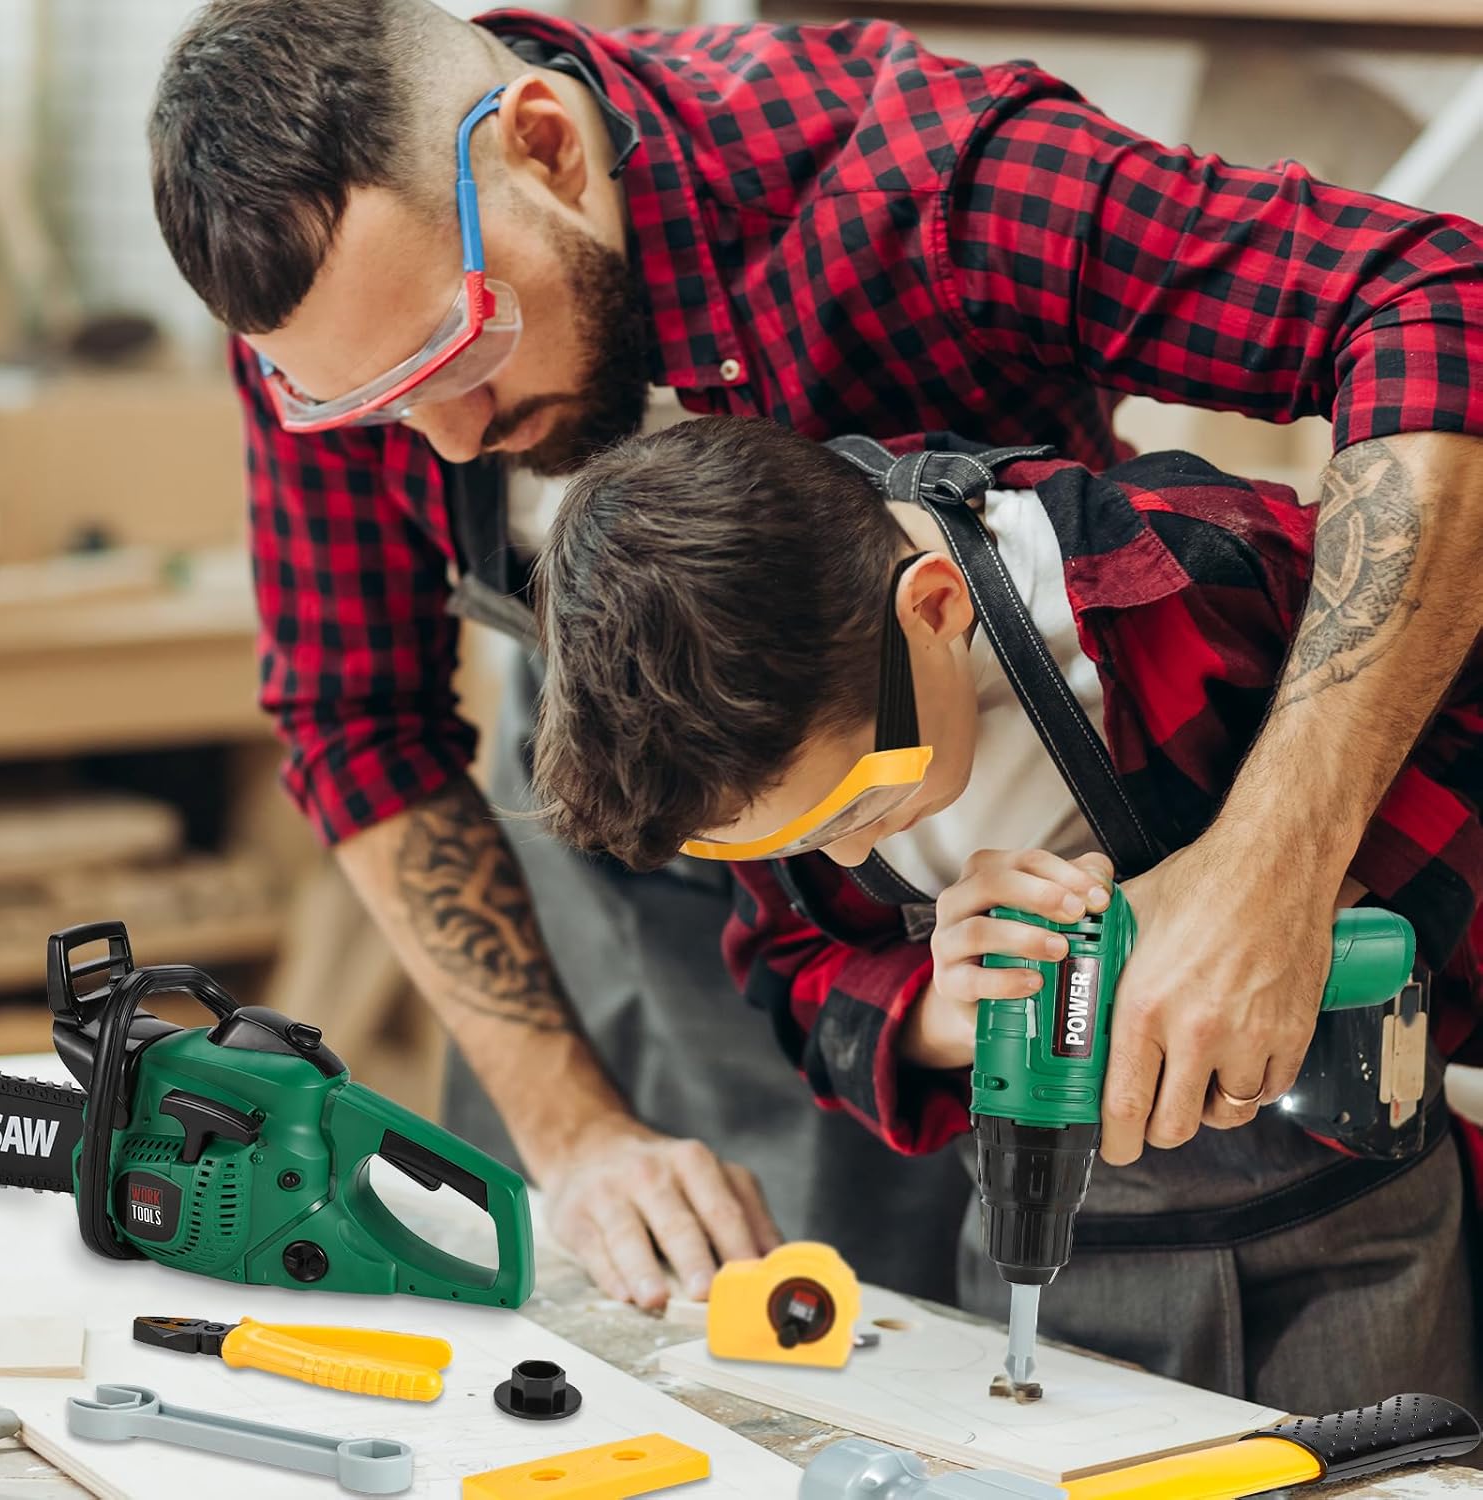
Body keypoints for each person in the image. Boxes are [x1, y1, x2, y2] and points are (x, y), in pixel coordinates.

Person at [147, 0, 1483, 1309]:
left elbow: (1434, 302)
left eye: (462, 347)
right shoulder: (342, 315)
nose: (443, 439)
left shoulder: (914, 174)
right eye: (371, 405)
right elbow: (353, 717)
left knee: (904, 1338)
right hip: (651, 897)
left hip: (960, 860)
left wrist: (1268, 868)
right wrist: (574, 1134)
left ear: (546, 146)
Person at [528, 415, 1482, 1412]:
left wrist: (1285, 906)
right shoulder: (753, 743)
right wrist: (950, 1011)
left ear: (933, 609)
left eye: (859, 804)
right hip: (1041, 1244)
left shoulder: (1176, 571)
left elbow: (1454, 701)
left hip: (1347, 1229)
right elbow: (797, 975)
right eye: (801, 842)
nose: (848, 856)